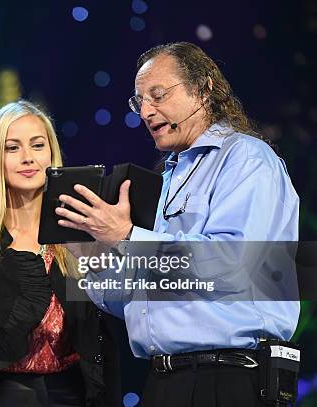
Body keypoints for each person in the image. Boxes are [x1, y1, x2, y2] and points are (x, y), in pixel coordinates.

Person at [55, 42, 300, 406]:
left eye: (158, 95)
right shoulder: (169, 177)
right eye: (139, 102)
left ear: (203, 89)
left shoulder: (246, 158)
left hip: (231, 378)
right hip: (166, 380)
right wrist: (92, 255)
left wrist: (126, 235)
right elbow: (141, 297)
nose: (146, 112)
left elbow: (232, 265)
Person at [0, 100, 121, 406]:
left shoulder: (79, 242)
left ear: (51, 153)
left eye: (37, 145)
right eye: (12, 148)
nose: (28, 158)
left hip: (71, 396)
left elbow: (104, 341)